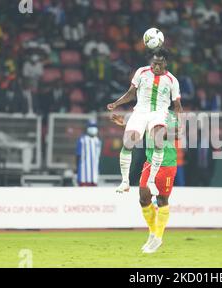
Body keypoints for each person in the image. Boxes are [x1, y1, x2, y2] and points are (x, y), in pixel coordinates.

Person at [107, 47, 183, 196]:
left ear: (165, 63)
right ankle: (125, 182)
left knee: (158, 139)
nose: (156, 66)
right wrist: (116, 104)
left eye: (159, 64)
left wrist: (179, 122)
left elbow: (178, 106)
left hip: (159, 113)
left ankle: (151, 181)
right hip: (140, 111)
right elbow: (130, 94)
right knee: (129, 141)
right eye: (154, 63)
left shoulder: (172, 80)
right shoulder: (141, 72)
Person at [110, 112, 179, 254]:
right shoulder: (145, 111)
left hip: (167, 164)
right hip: (149, 162)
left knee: (162, 200)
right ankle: (153, 233)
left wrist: (156, 131)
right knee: (143, 198)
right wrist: (125, 122)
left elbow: (176, 132)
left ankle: (158, 237)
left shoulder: (169, 115)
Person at [76, 120, 102, 187]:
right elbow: (78, 156)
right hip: (83, 176)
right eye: (91, 126)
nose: (93, 129)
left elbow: (98, 158)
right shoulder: (82, 140)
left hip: (94, 176)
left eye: (94, 127)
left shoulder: (98, 141)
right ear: (87, 128)